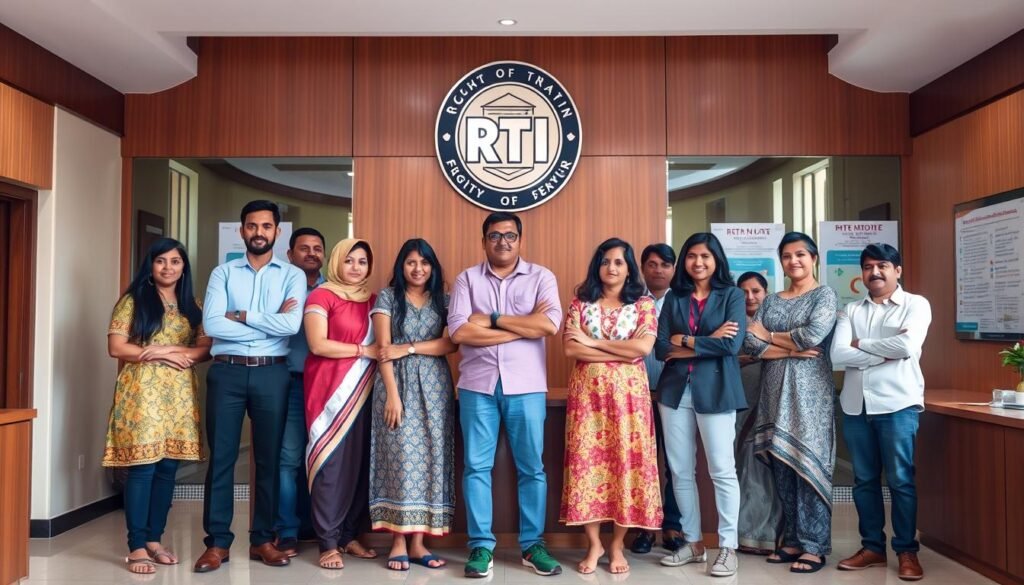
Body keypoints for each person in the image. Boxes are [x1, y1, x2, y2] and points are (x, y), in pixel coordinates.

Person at [448, 211, 563, 578]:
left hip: (526, 386)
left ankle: (532, 545)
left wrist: (494, 319)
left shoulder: (542, 277)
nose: (503, 242)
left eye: (510, 235)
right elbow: (460, 333)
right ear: (483, 241)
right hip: (477, 387)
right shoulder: (466, 279)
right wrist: (523, 328)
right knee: (476, 468)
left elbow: (548, 325)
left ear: (520, 240)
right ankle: (481, 546)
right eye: (495, 236)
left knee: (532, 468)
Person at [194, 200, 306, 572]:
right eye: (252, 226)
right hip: (226, 373)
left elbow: (291, 327)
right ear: (242, 230)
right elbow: (213, 325)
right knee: (222, 458)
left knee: (269, 460)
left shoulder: (292, 275)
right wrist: (268, 322)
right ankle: (218, 544)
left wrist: (241, 315)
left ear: (277, 231)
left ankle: (262, 540)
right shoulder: (222, 273)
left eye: (266, 226)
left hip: (271, 374)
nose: (259, 232)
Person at [104, 237, 211, 574]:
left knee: (167, 469)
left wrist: (168, 352)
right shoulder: (133, 301)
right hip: (142, 394)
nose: (168, 267)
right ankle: (136, 546)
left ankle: (154, 539)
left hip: (179, 395)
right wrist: (164, 353)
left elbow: (205, 349)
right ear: (150, 265)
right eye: (161, 261)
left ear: (184, 267)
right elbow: (117, 347)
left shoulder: (192, 304)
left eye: (175, 261)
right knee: (143, 467)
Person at [560, 238, 662, 575]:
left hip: (630, 401)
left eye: (619, 262)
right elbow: (572, 351)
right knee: (587, 467)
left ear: (629, 267)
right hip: (587, 400)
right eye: (605, 262)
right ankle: (594, 544)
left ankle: (618, 545)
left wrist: (593, 342)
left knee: (626, 468)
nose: (612, 268)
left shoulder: (643, 305)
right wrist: (619, 350)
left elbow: (644, 348)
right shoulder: (580, 302)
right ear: (597, 266)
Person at [831, 244, 931, 582]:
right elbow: (837, 355)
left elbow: (906, 347)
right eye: (869, 266)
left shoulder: (915, 305)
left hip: (897, 405)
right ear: (862, 273)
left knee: (901, 480)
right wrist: (880, 351)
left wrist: (861, 345)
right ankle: (872, 547)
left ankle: (906, 551)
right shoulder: (850, 311)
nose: (875, 272)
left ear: (897, 270)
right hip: (857, 406)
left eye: (883, 265)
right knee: (864, 481)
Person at [744, 231, 839, 575]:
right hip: (773, 392)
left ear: (813, 258)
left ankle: (815, 546)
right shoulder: (771, 301)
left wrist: (769, 337)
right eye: (787, 256)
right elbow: (750, 344)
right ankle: (794, 540)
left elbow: (813, 336)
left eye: (800, 254)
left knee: (808, 465)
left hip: (810, 394)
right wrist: (788, 348)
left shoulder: (824, 294)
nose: (794, 261)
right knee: (783, 465)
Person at [655, 232, 746, 578]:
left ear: (717, 260)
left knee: (722, 469)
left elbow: (731, 346)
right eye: (692, 256)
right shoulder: (675, 297)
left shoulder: (732, 295)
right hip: (675, 392)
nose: (698, 262)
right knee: (680, 470)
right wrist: (707, 341)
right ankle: (693, 543)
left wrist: (688, 341)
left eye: (705, 256)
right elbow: (661, 348)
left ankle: (727, 547)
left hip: (717, 390)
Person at [369, 238, 458, 571]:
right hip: (397, 385)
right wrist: (392, 394)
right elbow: (383, 349)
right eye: (411, 262)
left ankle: (420, 543)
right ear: (401, 266)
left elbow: (450, 344)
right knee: (401, 458)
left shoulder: (444, 300)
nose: (418, 269)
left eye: (425, 262)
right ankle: (397, 540)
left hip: (435, 388)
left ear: (432, 267)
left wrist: (409, 348)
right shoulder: (388, 297)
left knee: (433, 457)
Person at [304, 239, 380, 569]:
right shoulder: (322, 295)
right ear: (337, 262)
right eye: (349, 260)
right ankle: (328, 542)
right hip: (328, 391)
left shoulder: (376, 300)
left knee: (362, 464)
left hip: (366, 391)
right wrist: (364, 352)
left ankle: (350, 535)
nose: (355, 267)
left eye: (362, 262)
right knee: (331, 464)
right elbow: (318, 344)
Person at [274, 227, 326, 557]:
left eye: (317, 248)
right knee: (289, 459)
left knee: (326, 456)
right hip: (291, 381)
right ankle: (288, 531)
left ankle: (325, 530)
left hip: (328, 384)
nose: (311, 253)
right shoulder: (278, 288)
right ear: (290, 254)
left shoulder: (334, 290)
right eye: (303, 248)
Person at [631, 244, 685, 555]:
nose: (658, 270)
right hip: (637, 395)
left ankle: (672, 525)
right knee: (643, 463)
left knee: (675, 464)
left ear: (674, 268)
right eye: (651, 264)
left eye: (665, 264)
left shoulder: (681, 301)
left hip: (675, 393)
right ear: (642, 267)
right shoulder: (632, 301)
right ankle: (644, 527)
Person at [734, 272, 783, 555]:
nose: (750, 297)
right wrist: (739, 359)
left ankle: (767, 534)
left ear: (766, 293)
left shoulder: (774, 325)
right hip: (740, 404)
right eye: (743, 292)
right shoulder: (731, 324)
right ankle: (745, 532)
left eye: (756, 291)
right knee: (743, 469)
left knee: (763, 470)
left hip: (770, 405)